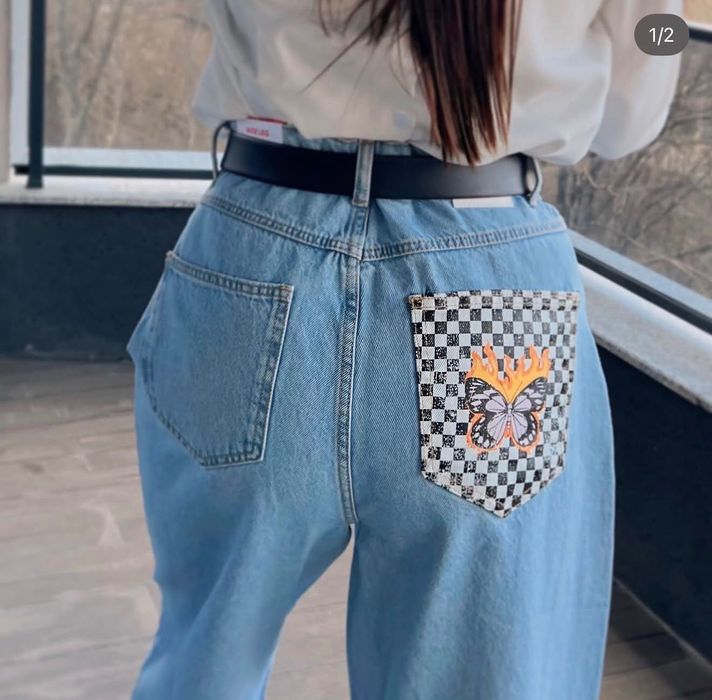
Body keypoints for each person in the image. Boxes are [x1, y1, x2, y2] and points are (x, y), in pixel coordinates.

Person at [126, 1, 682, 698]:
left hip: (256, 250)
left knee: (204, 655)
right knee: (481, 672)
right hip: (490, 288)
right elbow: (634, 107)